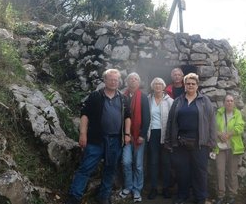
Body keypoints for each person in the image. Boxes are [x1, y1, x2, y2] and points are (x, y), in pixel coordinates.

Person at [66, 69, 131, 204]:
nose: (114, 82)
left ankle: (103, 197)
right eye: (111, 79)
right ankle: (74, 198)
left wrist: (127, 134)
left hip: (115, 140)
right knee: (85, 168)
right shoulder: (95, 96)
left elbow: (127, 117)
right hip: (96, 140)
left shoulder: (123, 99)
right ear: (105, 80)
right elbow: (85, 115)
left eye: (116, 80)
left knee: (110, 169)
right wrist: (83, 134)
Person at [165, 73, 217, 204]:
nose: (190, 86)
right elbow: (171, 121)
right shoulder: (178, 101)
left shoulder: (205, 101)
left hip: (200, 143)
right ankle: (183, 196)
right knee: (182, 172)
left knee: (200, 172)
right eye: (188, 83)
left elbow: (212, 122)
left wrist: (211, 142)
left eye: (193, 83)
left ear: (197, 85)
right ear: (184, 85)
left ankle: (200, 197)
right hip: (180, 143)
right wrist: (169, 141)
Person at [120, 72, 150, 203]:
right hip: (126, 136)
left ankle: (137, 189)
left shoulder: (143, 97)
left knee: (138, 165)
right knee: (126, 162)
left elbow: (146, 117)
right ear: (127, 82)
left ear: (139, 82)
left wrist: (142, 135)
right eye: (131, 79)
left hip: (139, 136)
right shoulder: (121, 96)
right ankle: (128, 186)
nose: (133, 81)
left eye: (136, 79)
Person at [214, 94, 245, 204]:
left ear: (234, 103)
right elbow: (213, 126)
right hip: (220, 147)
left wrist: (229, 134)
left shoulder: (237, 113)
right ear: (224, 102)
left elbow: (240, 127)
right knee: (220, 171)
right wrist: (219, 134)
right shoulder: (218, 113)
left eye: (231, 101)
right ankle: (221, 195)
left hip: (233, 148)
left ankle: (232, 195)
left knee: (232, 172)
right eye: (227, 100)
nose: (229, 102)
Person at [146, 77, 174, 200]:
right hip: (152, 134)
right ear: (152, 86)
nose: (158, 86)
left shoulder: (170, 101)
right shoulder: (148, 99)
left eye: (160, 84)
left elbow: (173, 120)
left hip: (165, 135)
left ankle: (166, 188)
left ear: (163, 86)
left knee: (166, 162)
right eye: (155, 84)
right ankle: (153, 188)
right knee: (153, 162)